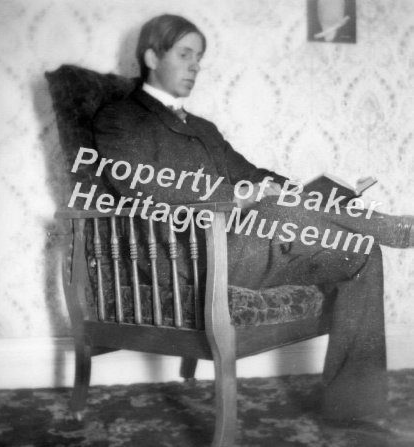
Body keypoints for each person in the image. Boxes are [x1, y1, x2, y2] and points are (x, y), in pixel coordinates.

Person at [93, 14, 414, 439]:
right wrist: (237, 194)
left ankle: (353, 407)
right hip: (184, 256)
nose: (195, 66)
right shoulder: (120, 118)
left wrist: (312, 193)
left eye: (199, 58)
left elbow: (255, 174)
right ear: (152, 56)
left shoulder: (203, 128)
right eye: (185, 54)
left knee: (358, 249)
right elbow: (141, 187)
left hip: (241, 250)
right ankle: (389, 226)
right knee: (277, 207)